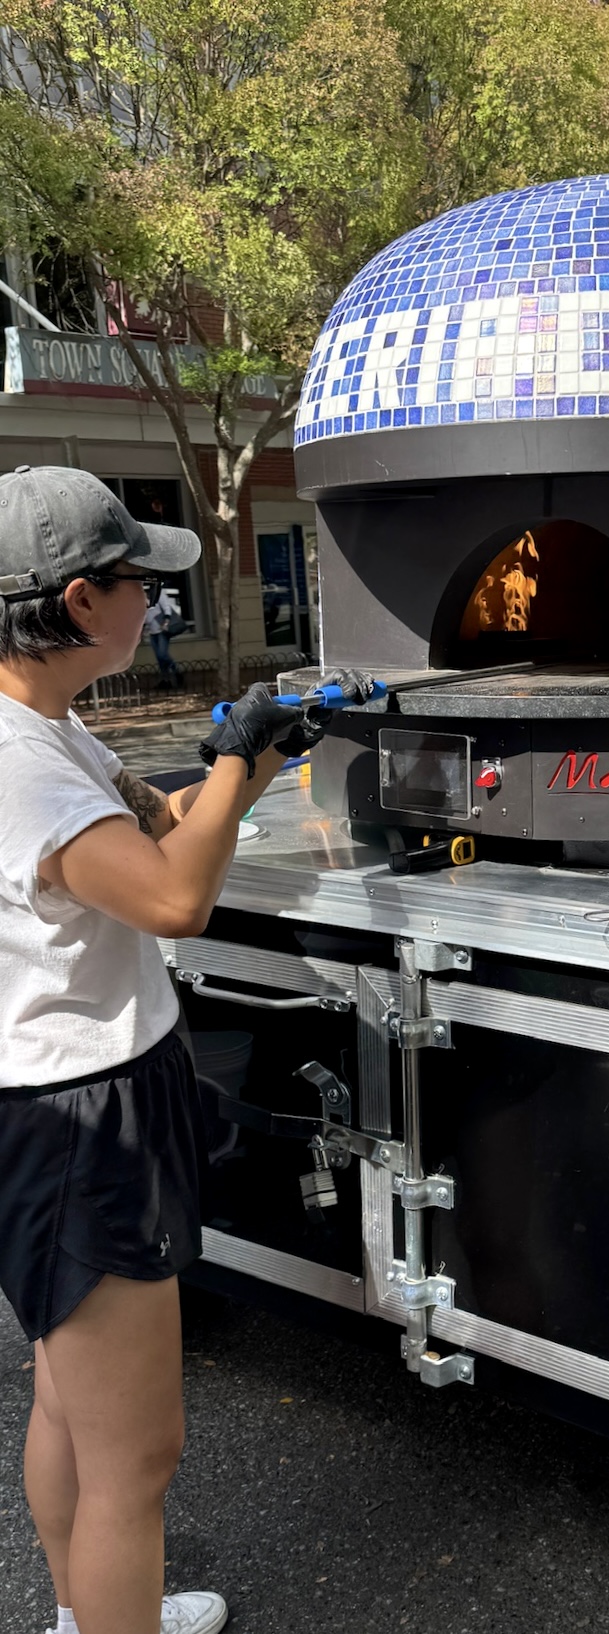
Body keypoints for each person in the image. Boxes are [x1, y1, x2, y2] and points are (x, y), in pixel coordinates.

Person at [0, 465, 366, 1634]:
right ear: (72, 602)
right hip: (77, 1117)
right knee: (136, 1456)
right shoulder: (19, 764)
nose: (152, 600)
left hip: (72, 1096)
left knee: (68, 1398)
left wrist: (255, 751)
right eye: (134, 581)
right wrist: (227, 761)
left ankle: (84, 1615)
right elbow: (169, 897)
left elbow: (158, 828)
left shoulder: (41, 726)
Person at [142, 586, 184, 689]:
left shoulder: (158, 593)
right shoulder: (141, 596)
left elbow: (166, 607)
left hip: (161, 629)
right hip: (152, 631)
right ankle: (165, 680)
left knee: (162, 654)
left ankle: (176, 672)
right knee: (159, 658)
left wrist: (166, 620)